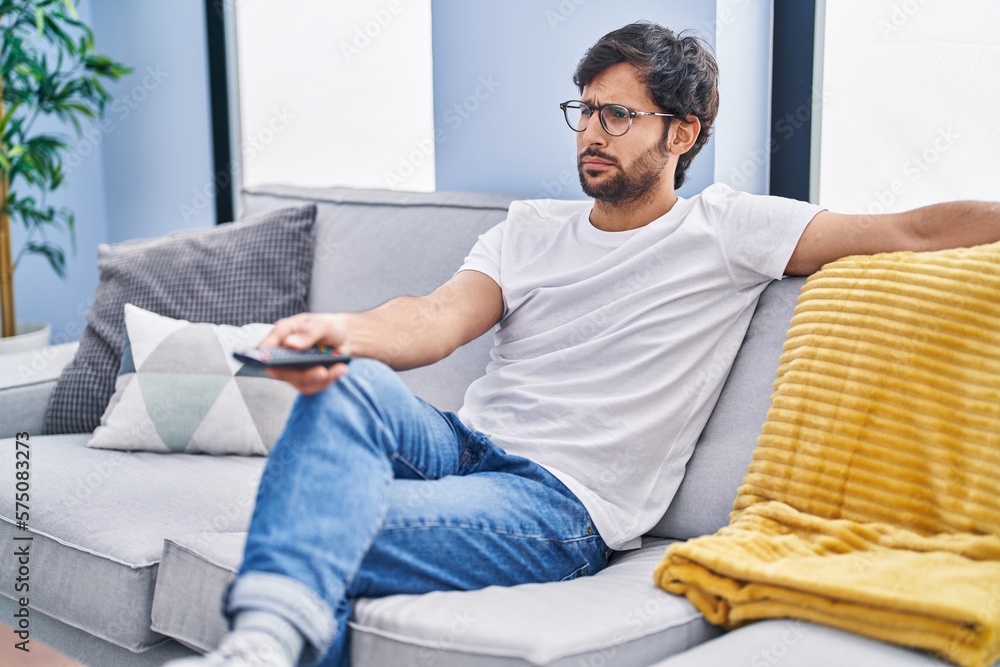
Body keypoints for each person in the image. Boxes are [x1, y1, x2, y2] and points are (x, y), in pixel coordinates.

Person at [166, 20, 1000, 667]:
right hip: (464, 447)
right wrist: (339, 331)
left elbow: (914, 231)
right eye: (584, 110)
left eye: (617, 114)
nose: (589, 132)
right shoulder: (530, 228)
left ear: (682, 133)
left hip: (560, 506)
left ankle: (266, 636)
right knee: (342, 382)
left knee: (323, 514)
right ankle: (273, 635)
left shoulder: (730, 230)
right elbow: (433, 317)